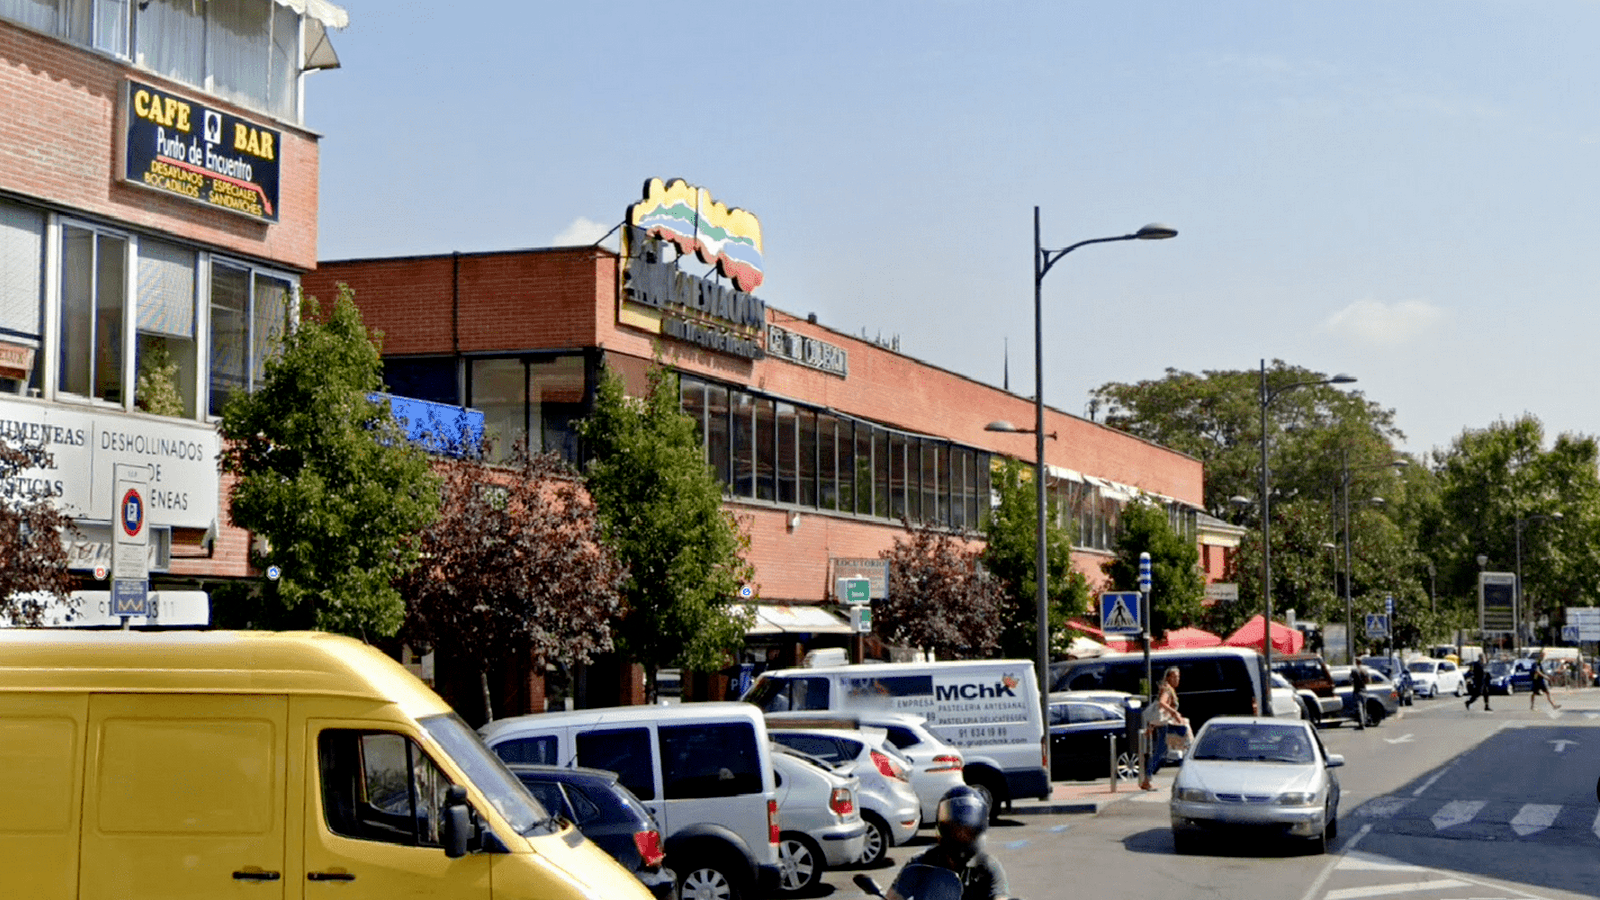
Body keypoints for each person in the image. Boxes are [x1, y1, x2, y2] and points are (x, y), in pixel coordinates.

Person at [887, 786, 1009, 900]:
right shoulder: (921, 864)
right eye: (956, 830)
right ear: (944, 829)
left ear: (978, 831)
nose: (962, 836)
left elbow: (1000, 897)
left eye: (968, 831)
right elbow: (893, 897)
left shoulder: (988, 867)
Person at [1141, 667, 1186, 790]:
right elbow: (1161, 703)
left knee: (1167, 752)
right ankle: (1147, 778)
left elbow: (1159, 712)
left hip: (1165, 725)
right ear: (1168, 678)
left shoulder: (1168, 689)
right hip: (1166, 726)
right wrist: (1175, 713)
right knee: (1163, 752)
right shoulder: (1167, 690)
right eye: (1174, 677)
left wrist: (1151, 726)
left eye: (1178, 677)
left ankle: (1147, 778)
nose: (1177, 679)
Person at [1350, 663, 1368, 729]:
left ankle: (1361, 723)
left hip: (1357, 691)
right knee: (1364, 708)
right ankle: (1365, 722)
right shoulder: (1364, 670)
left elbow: (1350, 680)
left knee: (1359, 708)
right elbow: (1368, 680)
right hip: (1364, 690)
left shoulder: (1354, 671)